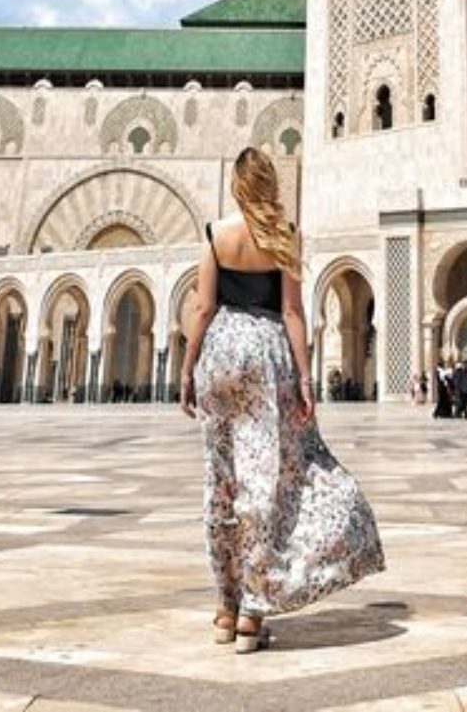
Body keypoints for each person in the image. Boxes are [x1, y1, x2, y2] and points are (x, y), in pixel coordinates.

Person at [181, 147, 384, 651]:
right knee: (267, 483)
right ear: (270, 185)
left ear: (236, 186)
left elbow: (204, 307)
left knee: (223, 481)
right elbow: (293, 313)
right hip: (267, 358)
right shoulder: (285, 236)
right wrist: (306, 379)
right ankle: (253, 609)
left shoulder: (216, 234)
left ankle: (225, 611)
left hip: (220, 356)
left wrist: (187, 370)